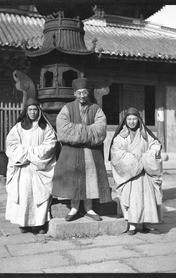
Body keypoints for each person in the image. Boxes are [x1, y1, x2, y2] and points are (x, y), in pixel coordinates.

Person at [52, 77, 112, 221]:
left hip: (91, 152)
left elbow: (100, 129)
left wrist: (78, 131)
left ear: (88, 93)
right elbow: (63, 128)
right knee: (74, 178)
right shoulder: (67, 108)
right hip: (72, 152)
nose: (82, 96)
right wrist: (86, 131)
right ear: (74, 94)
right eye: (78, 93)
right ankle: (74, 208)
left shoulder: (96, 109)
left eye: (84, 92)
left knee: (90, 179)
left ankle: (89, 208)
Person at [5, 98, 57, 234]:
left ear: (39, 110)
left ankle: (40, 224)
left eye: (35, 109)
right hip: (23, 167)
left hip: (39, 167)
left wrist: (31, 155)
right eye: (30, 110)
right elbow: (11, 144)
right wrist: (26, 155)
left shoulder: (46, 127)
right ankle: (25, 224)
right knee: (25, 194)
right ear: (26, 111)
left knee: (40, 196)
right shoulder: (18, 127)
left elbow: (50, 145)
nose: (33, 112)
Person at [109, 107, 163, 235]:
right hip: (130, 175)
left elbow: (156, 146)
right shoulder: (120, 137)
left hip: (145, 173)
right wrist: (135, 162)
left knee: (148, 200)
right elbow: (117, 153)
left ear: (139, 120)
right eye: (129, 119)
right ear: (125, 120)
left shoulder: (146, 134)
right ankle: (132, 225)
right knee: (132, 199)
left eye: (134, 119)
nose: (132, 121)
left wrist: (146, 158)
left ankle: (148, 224)